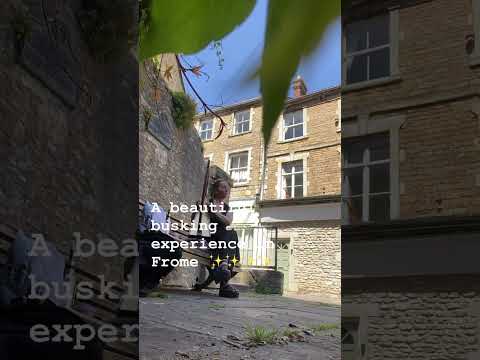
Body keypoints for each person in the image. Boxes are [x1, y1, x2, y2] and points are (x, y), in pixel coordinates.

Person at [193, 179, 240, 298]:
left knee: (231, 234)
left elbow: (228, 221)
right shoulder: (206, 202)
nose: (226, 190)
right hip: (209, 239)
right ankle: (224, 285)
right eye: (223, 187)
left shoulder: (227, 208)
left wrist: (214, 211)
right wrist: (199, 209)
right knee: (231, 239)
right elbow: (195, 220)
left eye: (227, 188)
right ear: (215, 189)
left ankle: (223, 267)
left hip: (221, 243)